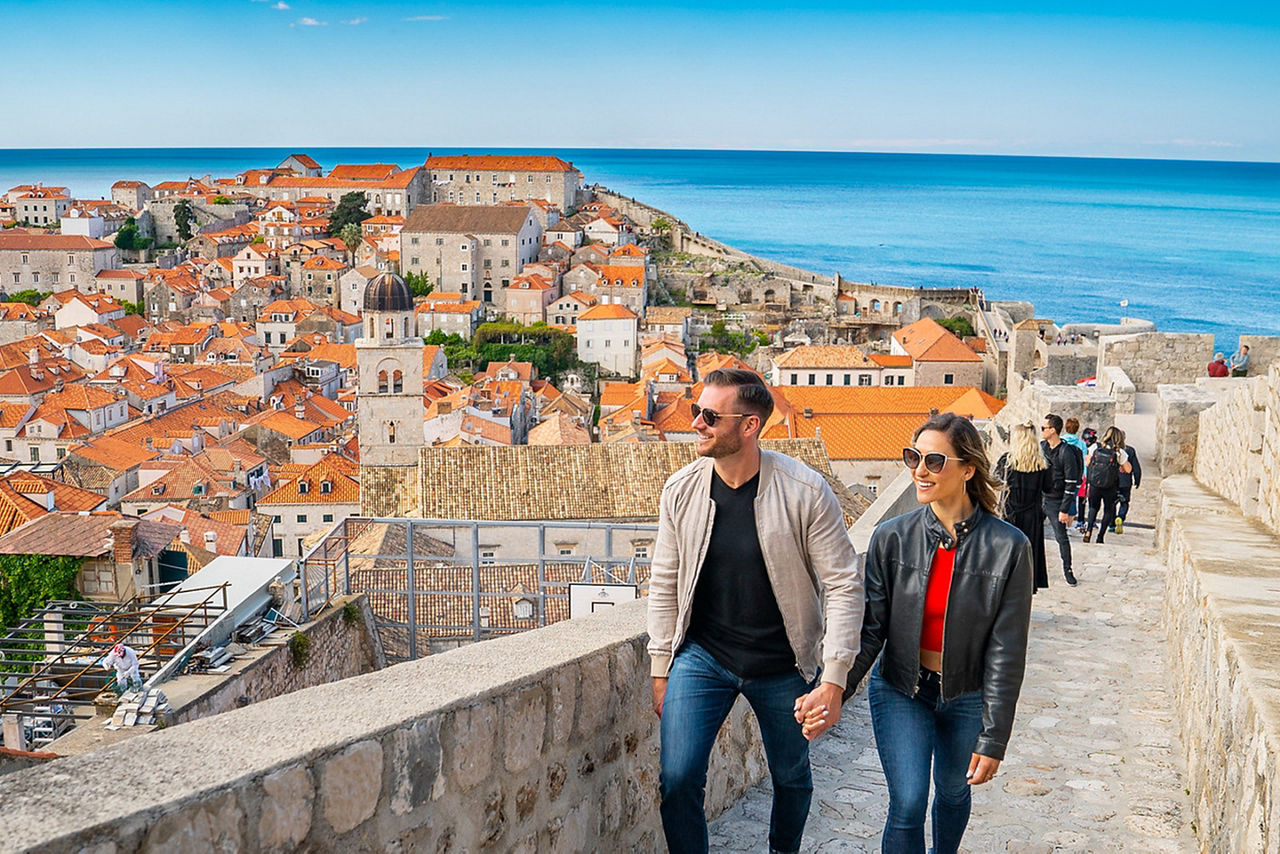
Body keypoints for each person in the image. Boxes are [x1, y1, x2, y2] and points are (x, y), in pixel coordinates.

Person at [648, 368, 863, 854]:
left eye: (709, 415)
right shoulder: (680, 491)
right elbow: (663, 582)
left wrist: (832, 678)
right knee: (677, 778)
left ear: (748, 426)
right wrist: (661, 667)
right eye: (695, 411)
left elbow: (844, 584)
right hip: (703, 656)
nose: (696, 423)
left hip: (782, 663)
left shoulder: (805, 492)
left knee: (791, 778)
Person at [801, 412, 1033, 854]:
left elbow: (1007, 651)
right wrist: (832, 691)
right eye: (913, 458)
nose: (919, 471)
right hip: (901, 690)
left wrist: (994, 736)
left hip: (967, 696)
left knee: (951, 791)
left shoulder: (1010, 548)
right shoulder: (892, 538)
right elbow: (870, 630)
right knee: (907, 803)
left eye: (933, 461)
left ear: (967, 469)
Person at [996, 422, 1051, 592]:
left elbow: (997, 482)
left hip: (1010, 514)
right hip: (1032, 516)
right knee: (1028, 555)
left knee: (1006, 555)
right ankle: (1026, 589)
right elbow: (1049, 488)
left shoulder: (1007, 461)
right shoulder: (1042, 464)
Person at [1041, 414, 1082, 586]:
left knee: (1061, 537)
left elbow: (1071, 483)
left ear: (1053, 430)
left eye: (1044, 428)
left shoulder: (1066, 452)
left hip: (1056, 501)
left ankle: (1068, 570)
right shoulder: (1042, 447)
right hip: (1041, 497)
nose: (1041, 431)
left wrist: (1065, 509)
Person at [1083, 426, 1132, 544]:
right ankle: (1100, 536)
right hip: (1110, 486)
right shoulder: (1119, 452)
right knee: (1108, 510)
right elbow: (1128, 469)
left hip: (1095, 484)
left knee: (1093, 508)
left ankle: (1088, 531)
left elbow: (1088, 462)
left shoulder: (1096, 447)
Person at [1061, 419, 1089, 530]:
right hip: (1076, 478)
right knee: (1072, 501)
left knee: (1061, 498)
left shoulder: (1062, 441)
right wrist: (1084, 476)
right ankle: (1068, 526)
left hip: (1062, 476)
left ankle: (1061, 524)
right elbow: (1084, 462)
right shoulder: (1082, 444)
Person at [1115, 444, 1142, 534]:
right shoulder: (1130, 450)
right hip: (1126, 482)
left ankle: (1111, 524)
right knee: (1124, 502)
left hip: (1113, 481)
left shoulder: (1112, 449)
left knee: (1111, 503)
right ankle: (1120, 518)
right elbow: (1136, 467)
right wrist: (1137, 480)